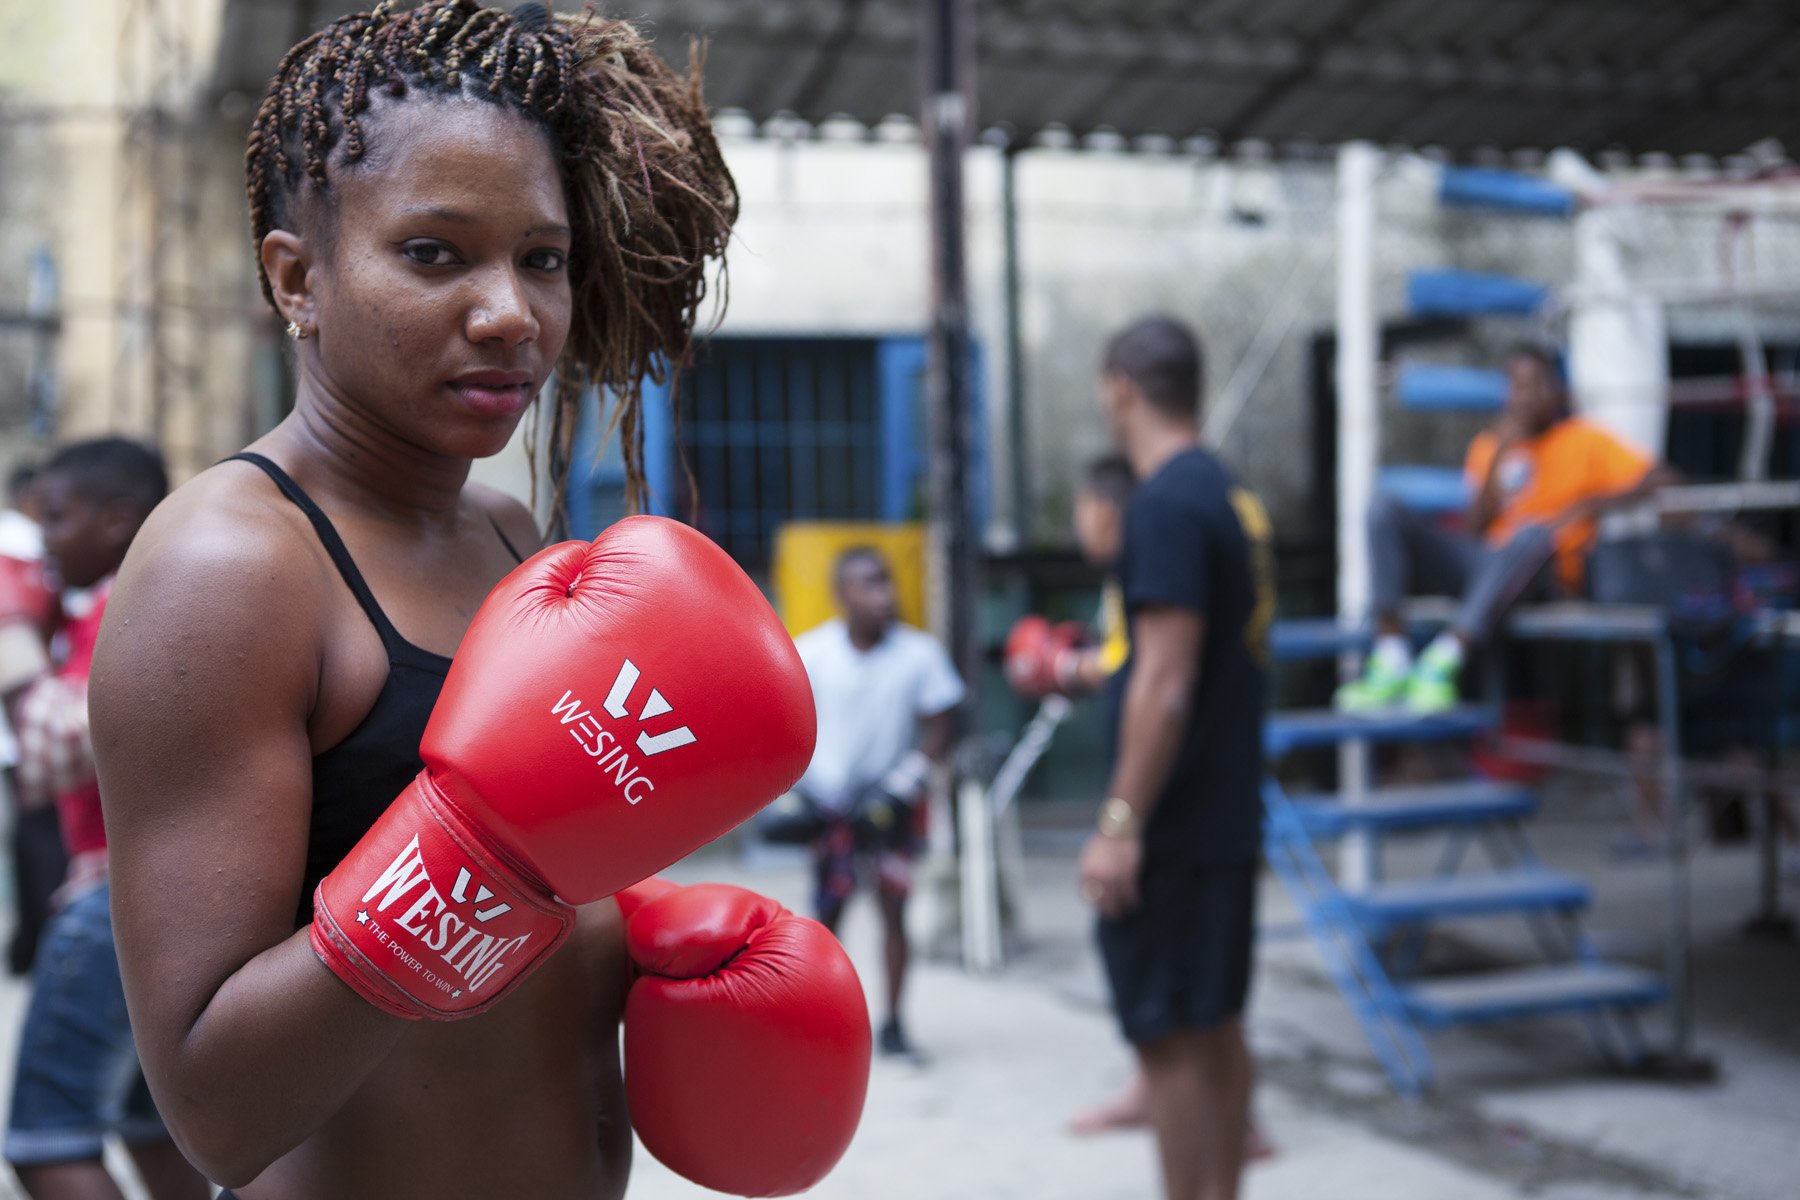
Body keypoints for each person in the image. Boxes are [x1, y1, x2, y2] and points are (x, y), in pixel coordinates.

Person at [86, 6, 865, 1200]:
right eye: (435, 253)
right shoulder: (230, 569)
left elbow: (532, 904)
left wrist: (647, 942)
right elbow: (215, 1108)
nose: (510, 312)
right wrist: (476, 858)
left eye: (541, 258)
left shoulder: (507, 534)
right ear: (297, 276)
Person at [1077, 316, 1272, 1200]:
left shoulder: (1163, 504)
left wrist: (1121, 823)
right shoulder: (1225, 493)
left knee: (1170, 1039)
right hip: (1223, 811)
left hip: (1178, 826)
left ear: (1122, 385)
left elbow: (1165, 679)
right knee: (1216, 1026)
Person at [2, 438, 209, 1200]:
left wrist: (10, 636)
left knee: (46, 1142)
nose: (43, 536)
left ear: (120, 522)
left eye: (57, 517)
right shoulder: (148, 597)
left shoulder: (130, 606)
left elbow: (56, 748)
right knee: (153, 1129)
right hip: (163, 899)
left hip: (111, 902)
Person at [1337, 343, 1671, 713]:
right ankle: (1391, 656)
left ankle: (1446, 656)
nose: (1527, 396)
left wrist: (1588, 505)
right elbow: (1471, 532)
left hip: (1544, 573)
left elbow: (1660, 479)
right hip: (1487, 566)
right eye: (1518, 385)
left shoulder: (1584, 439)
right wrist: (1497, 462)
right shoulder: (1490, 446)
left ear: (1555, 390)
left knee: (1533, 533)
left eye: (1537, 385)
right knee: (1382, 510)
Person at [792, 546, 964, 1062]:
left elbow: (944, 721)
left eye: (885, 581)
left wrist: (908, 777)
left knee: (894, 913)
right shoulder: (812, 653)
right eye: (867, 583)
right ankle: (820, 1024)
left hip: (890, 805)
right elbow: (783, 716)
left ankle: (892, 1024)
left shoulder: (919, 654)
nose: (882, 594)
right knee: (826, 917)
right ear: (842, 593)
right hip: (829, 805)